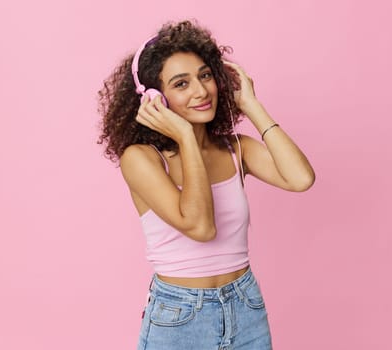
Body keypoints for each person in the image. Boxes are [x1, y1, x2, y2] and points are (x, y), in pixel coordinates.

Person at [97, 20, 315, 350]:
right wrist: (185, 136)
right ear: (154, 98)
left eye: (205, 75)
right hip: (179, 316)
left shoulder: (235, 148)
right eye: (181, 83)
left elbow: (301, 179)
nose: (201, 91)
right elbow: (200, 226)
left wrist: (252, 105)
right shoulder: (142, 158)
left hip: (246, 306)